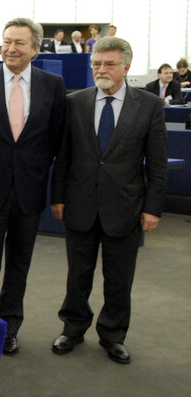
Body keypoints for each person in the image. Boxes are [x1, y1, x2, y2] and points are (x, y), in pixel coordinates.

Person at [50, 36, 167, 364]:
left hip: (126, 208)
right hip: (79, 204)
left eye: (109, 64)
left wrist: (153, 208)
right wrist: (57, 197)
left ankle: (113, 334)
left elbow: (157, 163)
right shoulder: (76, 102)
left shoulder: (149, 106)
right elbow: (64, 156)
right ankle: (72, 328)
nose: (101, 69)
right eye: (97, 63)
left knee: (119, 278)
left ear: (126, 67)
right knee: (78, 274)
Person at [0, 17, 66, 356]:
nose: (10, 48)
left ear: (35, 49)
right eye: (6, 41)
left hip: (30, 188)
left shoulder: (53, 85)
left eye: (19, 43)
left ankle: (9, 328)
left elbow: (55, 140)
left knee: (19, 264)